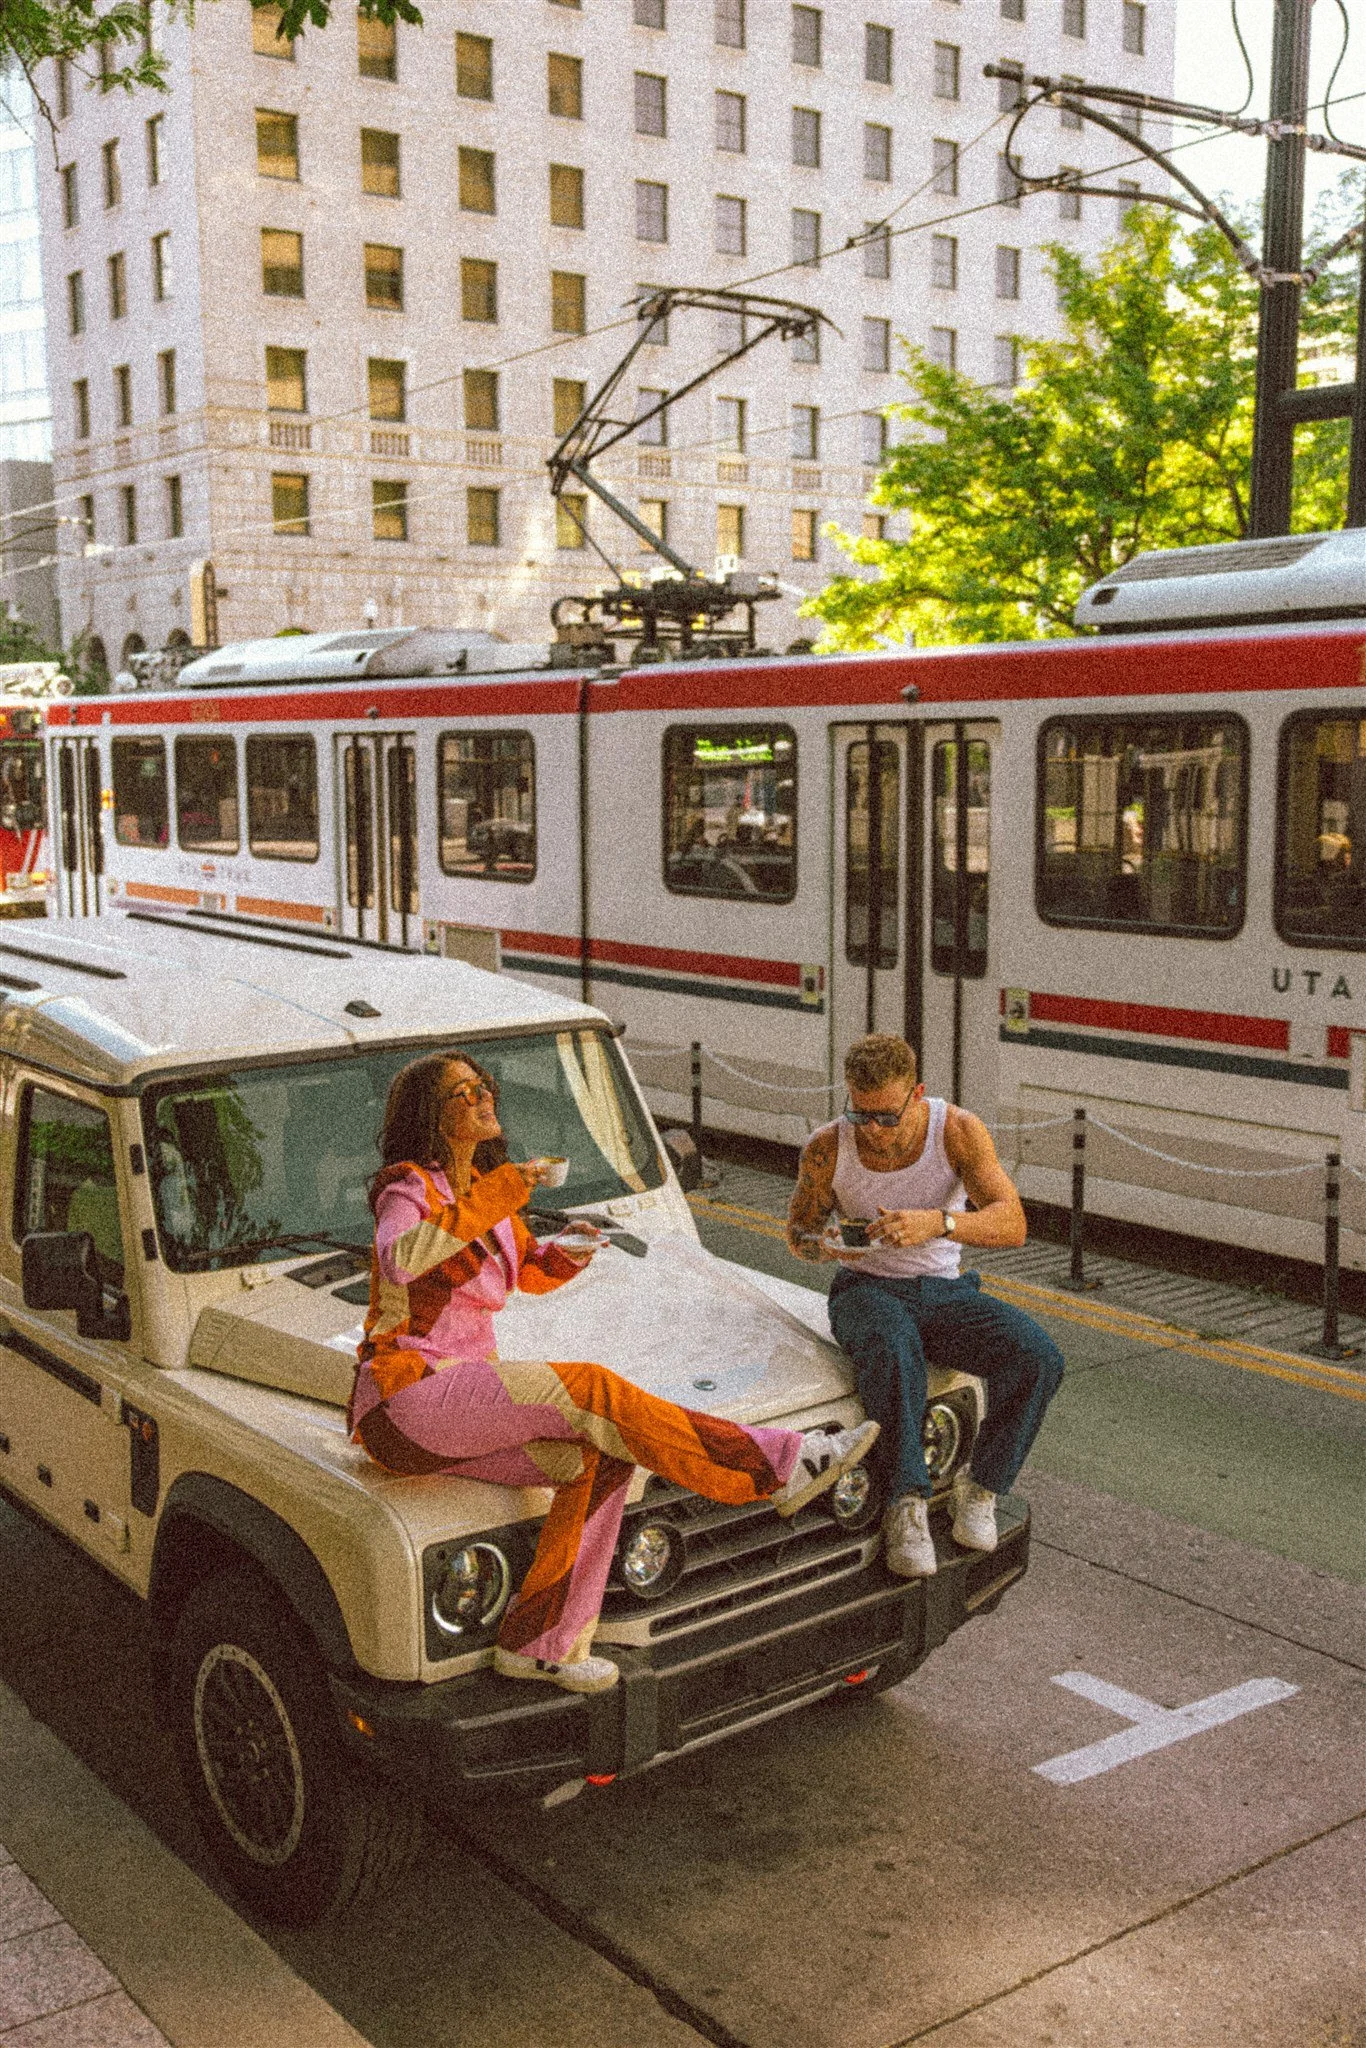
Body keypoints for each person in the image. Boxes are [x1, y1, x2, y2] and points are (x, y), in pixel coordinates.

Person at [349, 1052, 878, 1695]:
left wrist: (566, 1252)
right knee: (591, 1389)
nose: (485, 1094)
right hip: (406, 1394)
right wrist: (504, 1191)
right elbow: (401, 1259)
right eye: (464, 1091)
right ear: (432, 1117)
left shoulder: (481, 1195)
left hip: (459, 1395)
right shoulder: (408, 1189)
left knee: (601, 1457)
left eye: (484, 1083)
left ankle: (543, 1644)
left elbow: (526, 1273)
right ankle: (776, 1466)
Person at [786, 1033, 1063, 1580]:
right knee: (894, 1346)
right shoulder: (827, 1146)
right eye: (859, 1113)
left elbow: (1014, 1223)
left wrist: (940, 1222)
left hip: (944, 1289)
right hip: (866, 1289)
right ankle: (905, 1501)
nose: (871, 1129)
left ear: (917, 1095)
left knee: (1038, 1358)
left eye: (886, 1117)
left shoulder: (956, 1130)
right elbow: (798, 1232)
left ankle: (982, 1486)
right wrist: (828, 1246)